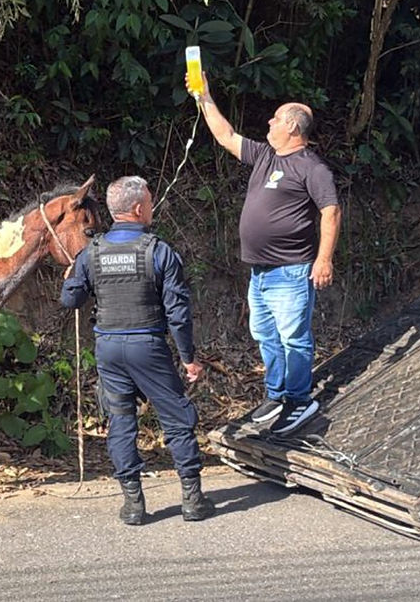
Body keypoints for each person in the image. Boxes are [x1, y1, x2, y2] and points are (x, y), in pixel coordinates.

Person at [190, 72, 342, 436]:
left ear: (291, 125)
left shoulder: (312, 167)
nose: (269, 122)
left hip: (291, 270)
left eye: (275, 118)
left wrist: (323, 259)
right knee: (265, 336)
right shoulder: (264, 155)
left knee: (294, 337)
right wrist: (204, 96)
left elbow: (331, 212)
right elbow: (225, 135)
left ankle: (300, 400)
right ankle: (276, 395)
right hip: (260, 273)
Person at [61, 175, 215, 525]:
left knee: (121, 421)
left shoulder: (92, 253)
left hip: (109, 349)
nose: (151, 206)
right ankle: (192, 499)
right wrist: (189, 358)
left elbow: (71, 300)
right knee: (176, 419)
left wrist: (72, 276)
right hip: (148, 347)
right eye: (149, 200)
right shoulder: (159, 251)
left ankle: (133, 504)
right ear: (137, 208)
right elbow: (178, 312)